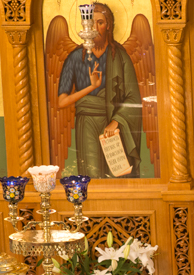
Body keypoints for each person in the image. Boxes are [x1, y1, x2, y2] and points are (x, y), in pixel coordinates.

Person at [57, 3, 143, 178]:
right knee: (92, 175)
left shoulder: (120, 57)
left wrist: (116, 121)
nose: (95, 28)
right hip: (87, 123)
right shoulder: (74, 58)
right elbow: (62, 101)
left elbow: (134, 98)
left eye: (100, 22)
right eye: (90, 22)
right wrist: (91, 87)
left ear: (108, 25)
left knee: (118, 175)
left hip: (113, 124)